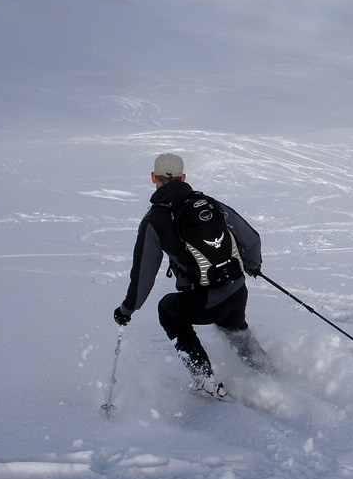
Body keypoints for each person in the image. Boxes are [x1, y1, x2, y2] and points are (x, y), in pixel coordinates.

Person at [114, 153, 272, 399]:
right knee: (234, 327)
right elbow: (252, 239)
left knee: (168, 310)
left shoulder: (154, 219)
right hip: (236, 289)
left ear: (154, 177)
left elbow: (143, 275)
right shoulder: (207, 202)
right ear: (183, 177)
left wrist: (127, 309)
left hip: (204, 300)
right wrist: (253, 266)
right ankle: (269, 372)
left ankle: (204, 377)